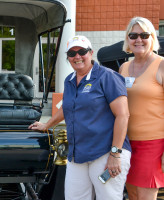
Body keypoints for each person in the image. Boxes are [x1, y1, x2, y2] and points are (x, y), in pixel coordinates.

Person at [29, 35, 132, 200]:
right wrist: (46, 125)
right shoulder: (69, 80)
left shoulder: (107, 76)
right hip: (77, 154)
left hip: (105, 152)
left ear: (91, 53)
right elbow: (67, 107)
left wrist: (115, 154)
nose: (77, 56)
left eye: (82, 51)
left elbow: (123, 115)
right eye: (72, 53)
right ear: (68, 58)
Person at [120, 16, 164, 200]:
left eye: (144, 35)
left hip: (152, 143)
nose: (139, 39)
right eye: (133, 35)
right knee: (133, 195)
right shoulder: (124, 67)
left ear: (152, 37)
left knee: (145, 195)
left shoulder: (161, 64)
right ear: (128, 40)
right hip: (127, 143)